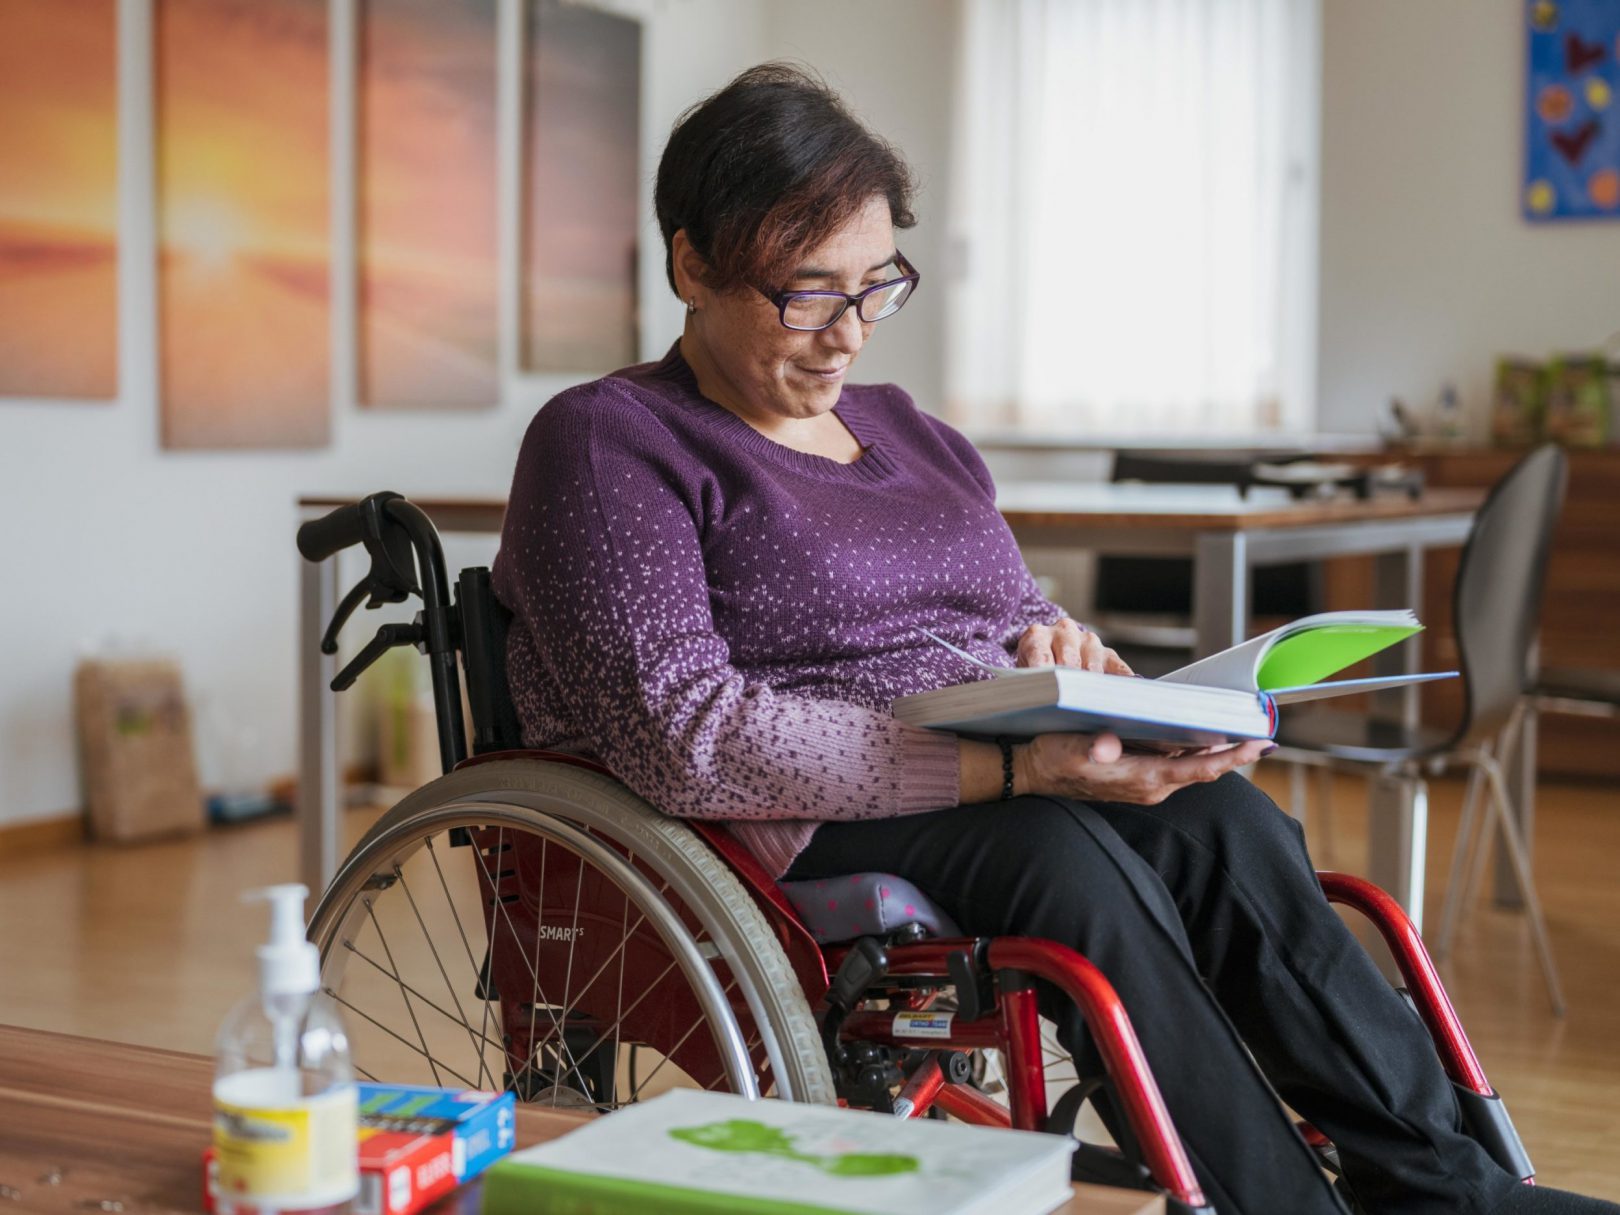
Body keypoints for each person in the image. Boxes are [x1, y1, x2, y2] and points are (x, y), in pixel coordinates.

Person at [491, 64, 1615, 1215]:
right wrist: (1008, 767)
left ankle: (1452, 1190)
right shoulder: (612, 441)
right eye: (805, 295)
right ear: (691, 264)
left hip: (999, 765)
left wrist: (1089, 675)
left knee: (1225, 823)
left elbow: (1011, 610)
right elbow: (688, 735)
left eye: (877, 286)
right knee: (1066, 873)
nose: (847, 335)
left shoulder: (908, 432)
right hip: (782, 822)